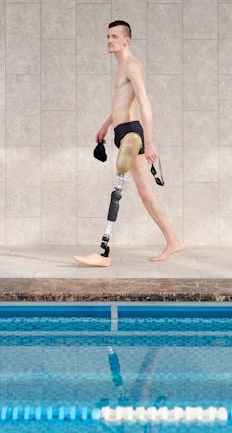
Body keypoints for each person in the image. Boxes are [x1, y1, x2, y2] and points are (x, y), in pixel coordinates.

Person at [74, 20, 184, 266]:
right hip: (121, 130)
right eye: (107, 37)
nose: (109, 41)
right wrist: (105, 126)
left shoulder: (132, 66)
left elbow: (144, 104)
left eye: (114, 36)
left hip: (132, 134)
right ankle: (172, 240)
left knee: (143, 190)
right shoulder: (121, 67)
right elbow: (121, 105)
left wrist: (149, 141)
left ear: (127, 40)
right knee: (144, 191)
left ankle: (170, 241)